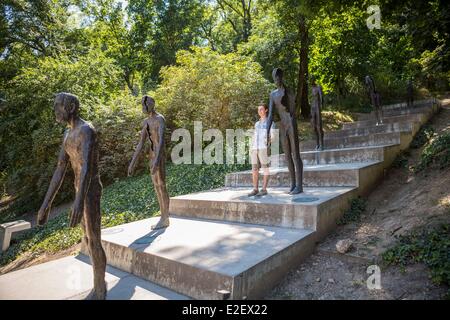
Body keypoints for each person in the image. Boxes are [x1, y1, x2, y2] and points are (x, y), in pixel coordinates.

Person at [37, 92, 107, 300]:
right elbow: (60, 168)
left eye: (58, 106)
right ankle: (98, 285)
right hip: (79, 190)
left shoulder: (87, 130)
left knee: (94, 239)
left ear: (71, 107)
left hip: (90, 190)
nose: (55, 110)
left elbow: (86, 167)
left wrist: (78, 202)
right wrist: (45, 205)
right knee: (87, 238)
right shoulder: (67, 135)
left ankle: (100, 289)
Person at [128, 95, 170, 230]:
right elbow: (141, 143)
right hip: (152, 156)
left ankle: (165, 217)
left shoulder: (160, 119)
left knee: (161, 185)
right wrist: (132, 162)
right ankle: (163, 216)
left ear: (152, 104)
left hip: (159, 156)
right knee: (157, 186)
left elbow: (162, 141)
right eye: (142, 105)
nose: (144, 107)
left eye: (145, 104)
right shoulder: (146, 122)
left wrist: (157, 160)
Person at [267, 68, 304, 194]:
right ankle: (293, 184)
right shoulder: (272, 94)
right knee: (287, 156)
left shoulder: (288, 91)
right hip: (282, 126)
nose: (277, 79)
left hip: (291, 124)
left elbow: (293, 109)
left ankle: (299, 185)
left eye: (278, 77)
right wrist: (266, 131)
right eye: (275, 78)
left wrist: (292, 122)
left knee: (295, 155)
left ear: (281, 77)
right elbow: (271, 114)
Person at [248, 104, 275, 197]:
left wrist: (268, 141)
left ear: (266, 110)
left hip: (263, 148)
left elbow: (273, 136)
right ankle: (255, 189)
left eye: (261, 109)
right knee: (254, 169)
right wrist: (251, 147)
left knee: (265, 169)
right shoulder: (257, 124)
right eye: (258, 110)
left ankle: (264, 189)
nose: (260, 111)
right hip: (255, 148)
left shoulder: (270, 122)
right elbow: (254, 136)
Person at [310, 76, 324, 150]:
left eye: (311, 80)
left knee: (319, 126)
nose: (310, 82)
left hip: (318, 107)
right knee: (314, 127)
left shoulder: (318, 87)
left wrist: (321, 106)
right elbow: (311, 99)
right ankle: (317, 144)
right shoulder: (312, 89)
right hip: (313, 107)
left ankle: (321, 144)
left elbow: (321, 98)